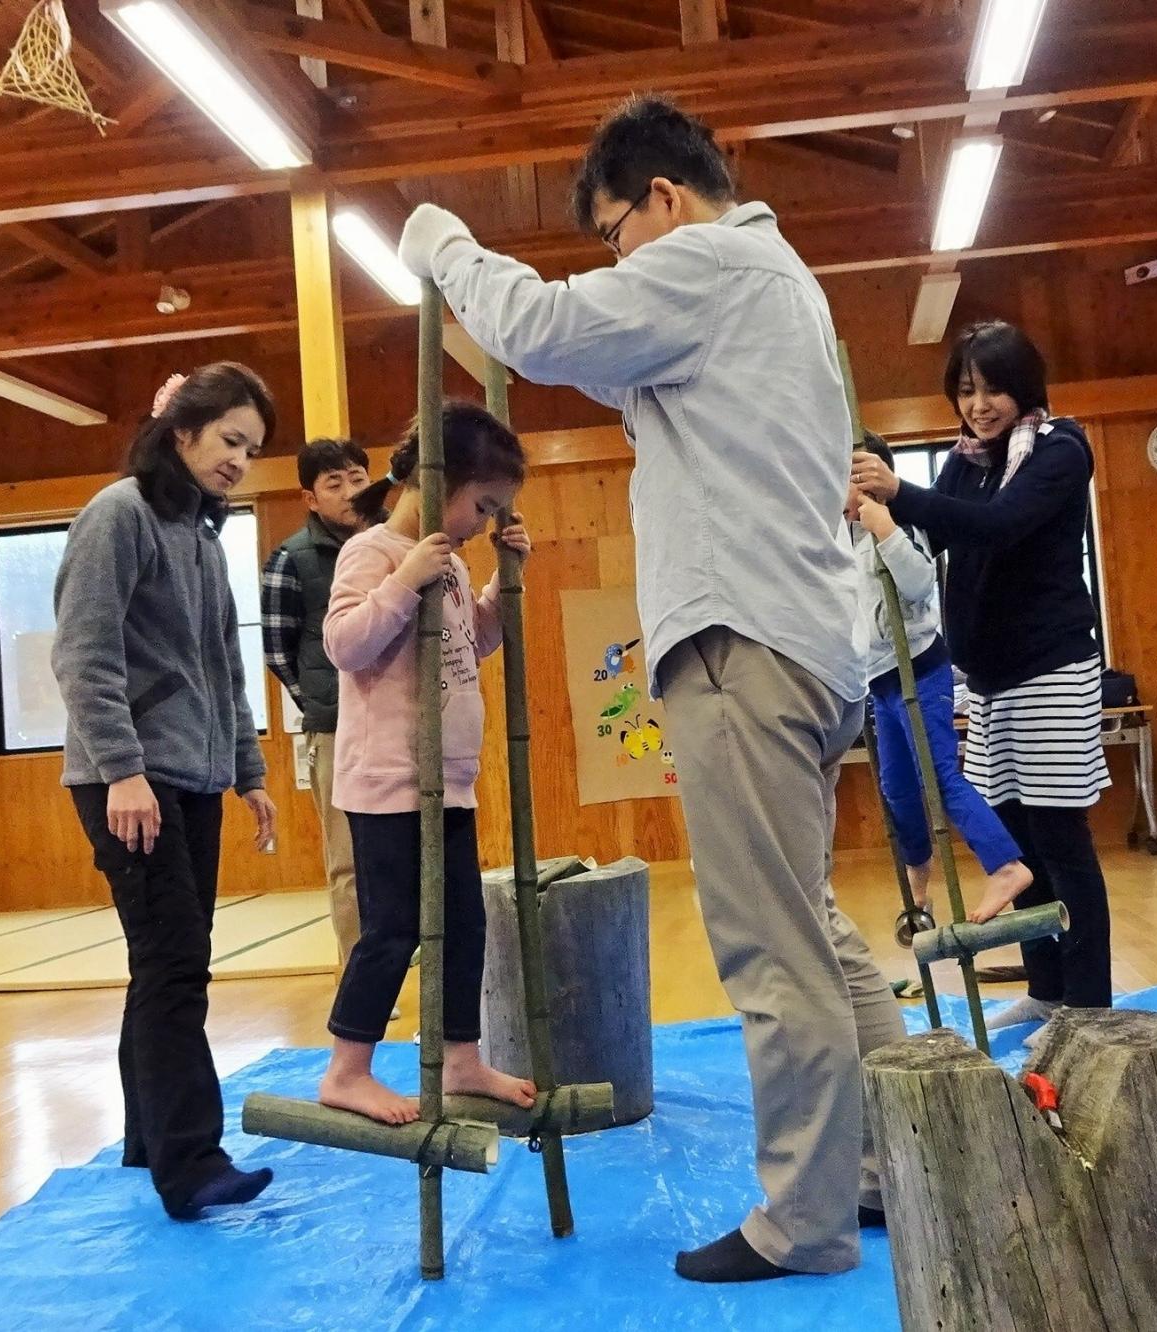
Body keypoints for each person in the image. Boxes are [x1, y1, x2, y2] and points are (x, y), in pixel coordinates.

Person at [397, 94, 906, 1283]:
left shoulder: (714, 261)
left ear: (664, 201)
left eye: (616, 233)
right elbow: (609, 372)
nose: (618, 260)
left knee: (773, 954)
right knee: (815, 934)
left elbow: (541, 325)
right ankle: (878, 1163)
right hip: (799, 643)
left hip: (745, 645)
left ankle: (807, 1222)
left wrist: (439, 244)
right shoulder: (780, 286)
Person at [52, 363, 281, 1220]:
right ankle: (191, 1165)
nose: (238, 461)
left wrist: (249, 773)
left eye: (251, 450)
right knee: (176, 963)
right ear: (181, 432)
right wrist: (122, 770)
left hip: (188, 777)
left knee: (167, 964)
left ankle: (149, 1138)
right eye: (229, 440)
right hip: (127, 782)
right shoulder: (120, 516)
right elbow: (84, 656)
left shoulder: (202, 537)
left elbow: (224, 667)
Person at [850, 322, 1115, 1033]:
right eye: (966, 391)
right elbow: (931, 538)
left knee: (1061, 836)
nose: (979, 405)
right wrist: (866, 514)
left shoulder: (1060, 450)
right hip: (988, 676)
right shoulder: (967, 461)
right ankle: (1047, 986)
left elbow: (996, 525)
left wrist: (897, 490)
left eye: (993, 388)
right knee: (1020, 839)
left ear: (1024, 386)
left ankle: (1089, 1003)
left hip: (1051, 667)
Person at [316, 401, 539, 1126]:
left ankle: (462, 1055)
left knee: (465, 922)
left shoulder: (445, 562)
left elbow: (470, 645)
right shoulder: (375, 553)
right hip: (388, 786)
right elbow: (346, 645)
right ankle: (347, 1070)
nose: (484, 520)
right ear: (443, 482)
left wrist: (500, 587)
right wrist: (405, 577)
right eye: (484, 504)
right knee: (393, 928)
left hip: (449, 784)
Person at [848, 433, 1032, 929]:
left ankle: (1007, 865)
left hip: (920, 669)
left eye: (846, 475)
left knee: (940, 777)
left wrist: (885, 529)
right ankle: (918, 882)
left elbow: (918, 583)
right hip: (880, 681)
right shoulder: (840, 537)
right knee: (898, 788)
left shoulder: (902, 522)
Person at [262, 439, 372, 972]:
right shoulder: (291, 558)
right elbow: (278, 652)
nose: (352, 491)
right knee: (347, 861)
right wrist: (322, 700)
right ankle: (358, 975)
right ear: (310, 497)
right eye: (335, 483)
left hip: (400, 722)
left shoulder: (395, 543)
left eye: (357, 477)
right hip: (334, 727)